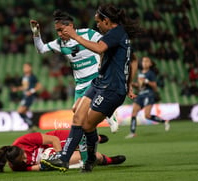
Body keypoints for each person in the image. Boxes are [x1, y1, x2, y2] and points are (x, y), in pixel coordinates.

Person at [40, 3, 140, 172]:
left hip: (111, 90)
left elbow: (101, 48)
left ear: (106, 20)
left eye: (98, 22)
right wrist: (129, 83)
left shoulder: (116, 34)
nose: (97, 25)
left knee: (87, 126)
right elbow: (132, 59)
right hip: (99, 83)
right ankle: (64, 159)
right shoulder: (113, 35)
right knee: (77, 116)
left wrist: (74, 36)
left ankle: (90, 159)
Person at [30, 10, 119, 134]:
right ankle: (96, 136)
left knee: (78, 111)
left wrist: (105, 62)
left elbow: (107, 44)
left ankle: (108, 111)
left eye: (61, 30)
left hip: (95, 78)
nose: (59, 34)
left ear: (70, 26)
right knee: (77, 114)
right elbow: (41, 49)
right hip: (80, 84)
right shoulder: (59, 43)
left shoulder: (88, 34)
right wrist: (36, 33)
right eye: (57, 31)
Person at [0, 130, 125, 173]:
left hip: (57, 140)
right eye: (21, 162)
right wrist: (48, 163)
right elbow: (37, 168)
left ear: (22, 150)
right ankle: (109, 160)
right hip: (51, 155)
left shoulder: (23, 141)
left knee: (87, 140)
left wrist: (60, 156)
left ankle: (96, 138)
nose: (25, 161)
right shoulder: (16, 166)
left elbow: (53, 140)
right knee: (95, 156)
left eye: (23, 157)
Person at [125, 57, 170, 139]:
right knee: (134, 113)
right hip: (140, 94)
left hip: (148, 95)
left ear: (150, 64)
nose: (144, 63)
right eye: (143, 61)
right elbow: (140, 86)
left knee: (147, 115)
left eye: (147, 61)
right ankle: (132, 133)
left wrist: (146, 81)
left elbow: (155, 87)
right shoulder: (140, 73)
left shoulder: (151, 73)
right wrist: (132, 84)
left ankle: (164, 121)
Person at [12, 63, 42, 130]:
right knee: (22, 112)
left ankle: (31, 125)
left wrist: (31, 91)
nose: (25, 68)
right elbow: (25, 87)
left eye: (26, 67)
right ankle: (31, 126)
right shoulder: (24, 77)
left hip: (29, 97)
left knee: (20, 111)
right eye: (24, 67)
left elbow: (39, 86)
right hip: (24, 96)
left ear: (30, 68)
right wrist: (17, 89)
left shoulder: (32, 77)